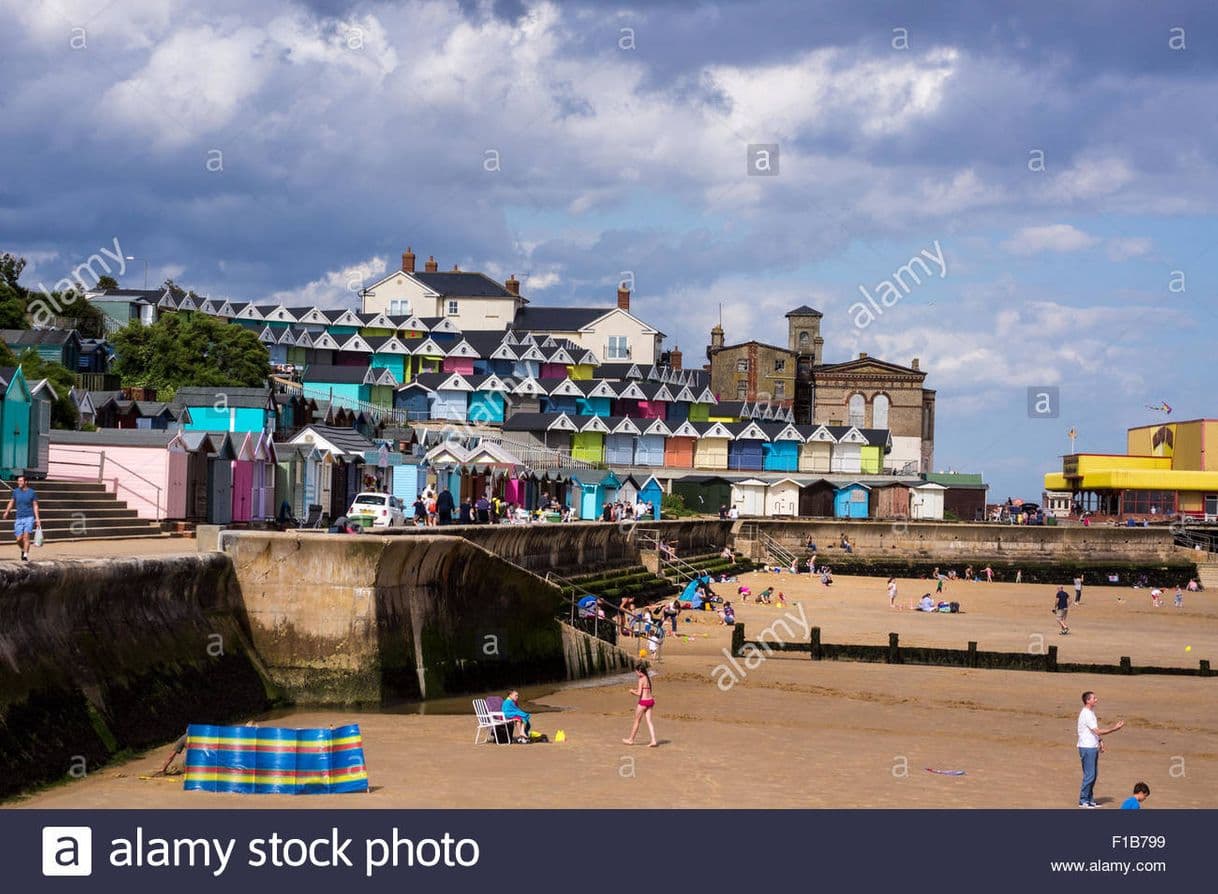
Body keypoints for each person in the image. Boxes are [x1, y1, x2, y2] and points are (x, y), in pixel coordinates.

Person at [1077, 690, 1125, 808]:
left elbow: (1094, 732)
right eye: (1094, 698)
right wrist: (1114, 729)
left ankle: (1089, 799)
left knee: (1094, 774)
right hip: (1087, 748)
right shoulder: (1086, 714)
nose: (1096, 700)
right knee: (1090, 775)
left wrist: (1100, 740)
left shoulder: (1091, 712)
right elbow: (1097, 731)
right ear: (1088, 701)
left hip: (1092, 747)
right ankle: (1083, 800)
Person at [3, 475, 41, 562]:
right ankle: (23, 549)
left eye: (20, 481)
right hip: (19, 517)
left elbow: (35, 505)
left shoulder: (32, 492)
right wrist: (7, 511)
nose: (19, 482)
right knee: (18, 539)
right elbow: (11, 502)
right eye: (18, 481)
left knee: (26, 537)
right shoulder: (16, 492)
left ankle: (25, 555)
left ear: (25, 482)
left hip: (29, 517)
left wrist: (37, 518)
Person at [623, 664, 658, 747]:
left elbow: (639, 693)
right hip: (650, 701)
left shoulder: (641, 679)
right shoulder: (648, 678)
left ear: (639, 671)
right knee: (649, 721)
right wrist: (637, 690)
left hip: (643, 702)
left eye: (636, 672)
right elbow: (645, 690)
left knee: (637, 721)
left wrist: (632, 691)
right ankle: (653, 740)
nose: (636, 673)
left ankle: (631, 740)